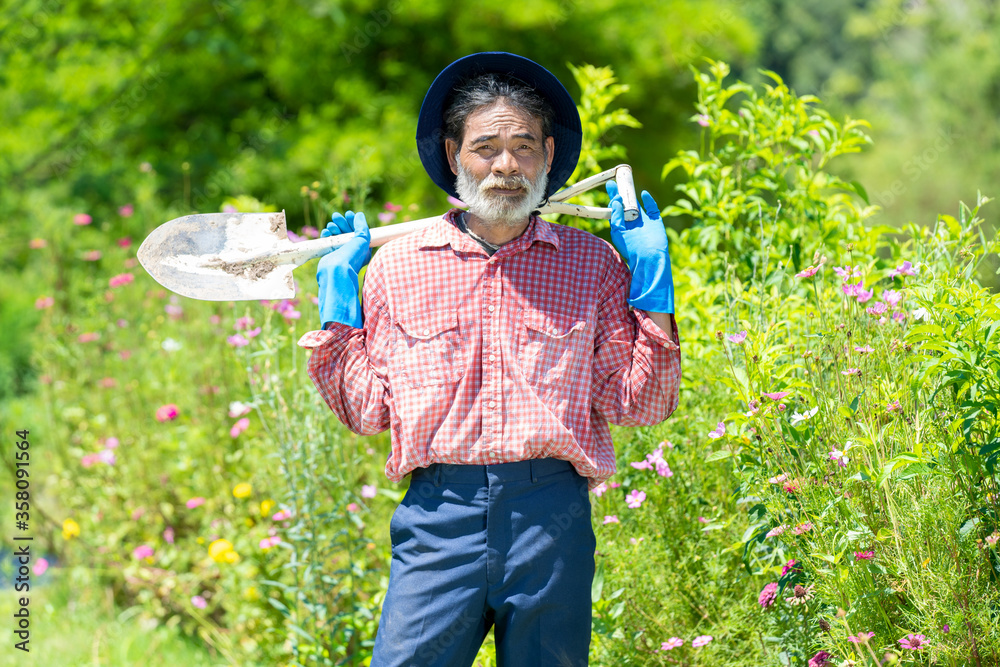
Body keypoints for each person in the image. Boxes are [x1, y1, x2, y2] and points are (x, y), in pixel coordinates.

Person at [298, 52, 681, 666]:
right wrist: (338, 311)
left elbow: (641, 405)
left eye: (524, 146)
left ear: (549, 157)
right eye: (486, 147)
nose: (506, 165)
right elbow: (367, 412)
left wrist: (653, 288)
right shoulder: (397, 267)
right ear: (454, 157)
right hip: (437, 516)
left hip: (550, 517)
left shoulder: (594, 265)